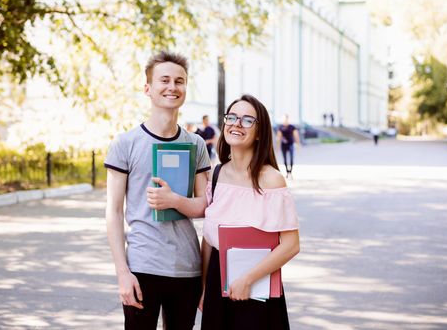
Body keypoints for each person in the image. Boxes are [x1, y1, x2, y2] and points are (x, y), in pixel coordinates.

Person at [104, 51, 211, 330]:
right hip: (142, 267)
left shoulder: (197, 144)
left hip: (186, 267)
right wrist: (122, 273)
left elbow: (205, 207)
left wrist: (174, 200)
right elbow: (113, 212)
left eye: (180, 81)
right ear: (148, 89)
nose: (172, 87)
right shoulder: (125, 143)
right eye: (164, 80)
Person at [200, 94, 300, 330]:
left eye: (247, 120)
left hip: (258, 284)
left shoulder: (272, 180)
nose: (236, 123)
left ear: (259, 132)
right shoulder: (217, 174)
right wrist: (204, 287)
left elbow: (291, 245)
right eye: (232, 117)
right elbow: (208, 239)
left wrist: (248, 279)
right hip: (217, 281)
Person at [276, 114, 301, 179]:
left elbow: (296, 136)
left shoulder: (292, 127)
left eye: (286, 119)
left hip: (291, 144)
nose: (285, 120)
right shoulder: (280, 127)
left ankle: (290, 172)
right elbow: (278, 137)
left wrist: (298, 145)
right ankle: (287, 172)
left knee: (291, 159)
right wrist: (277, 147)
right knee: (285, 160)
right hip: (283, 145)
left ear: (288, 119)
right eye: (284, 119)